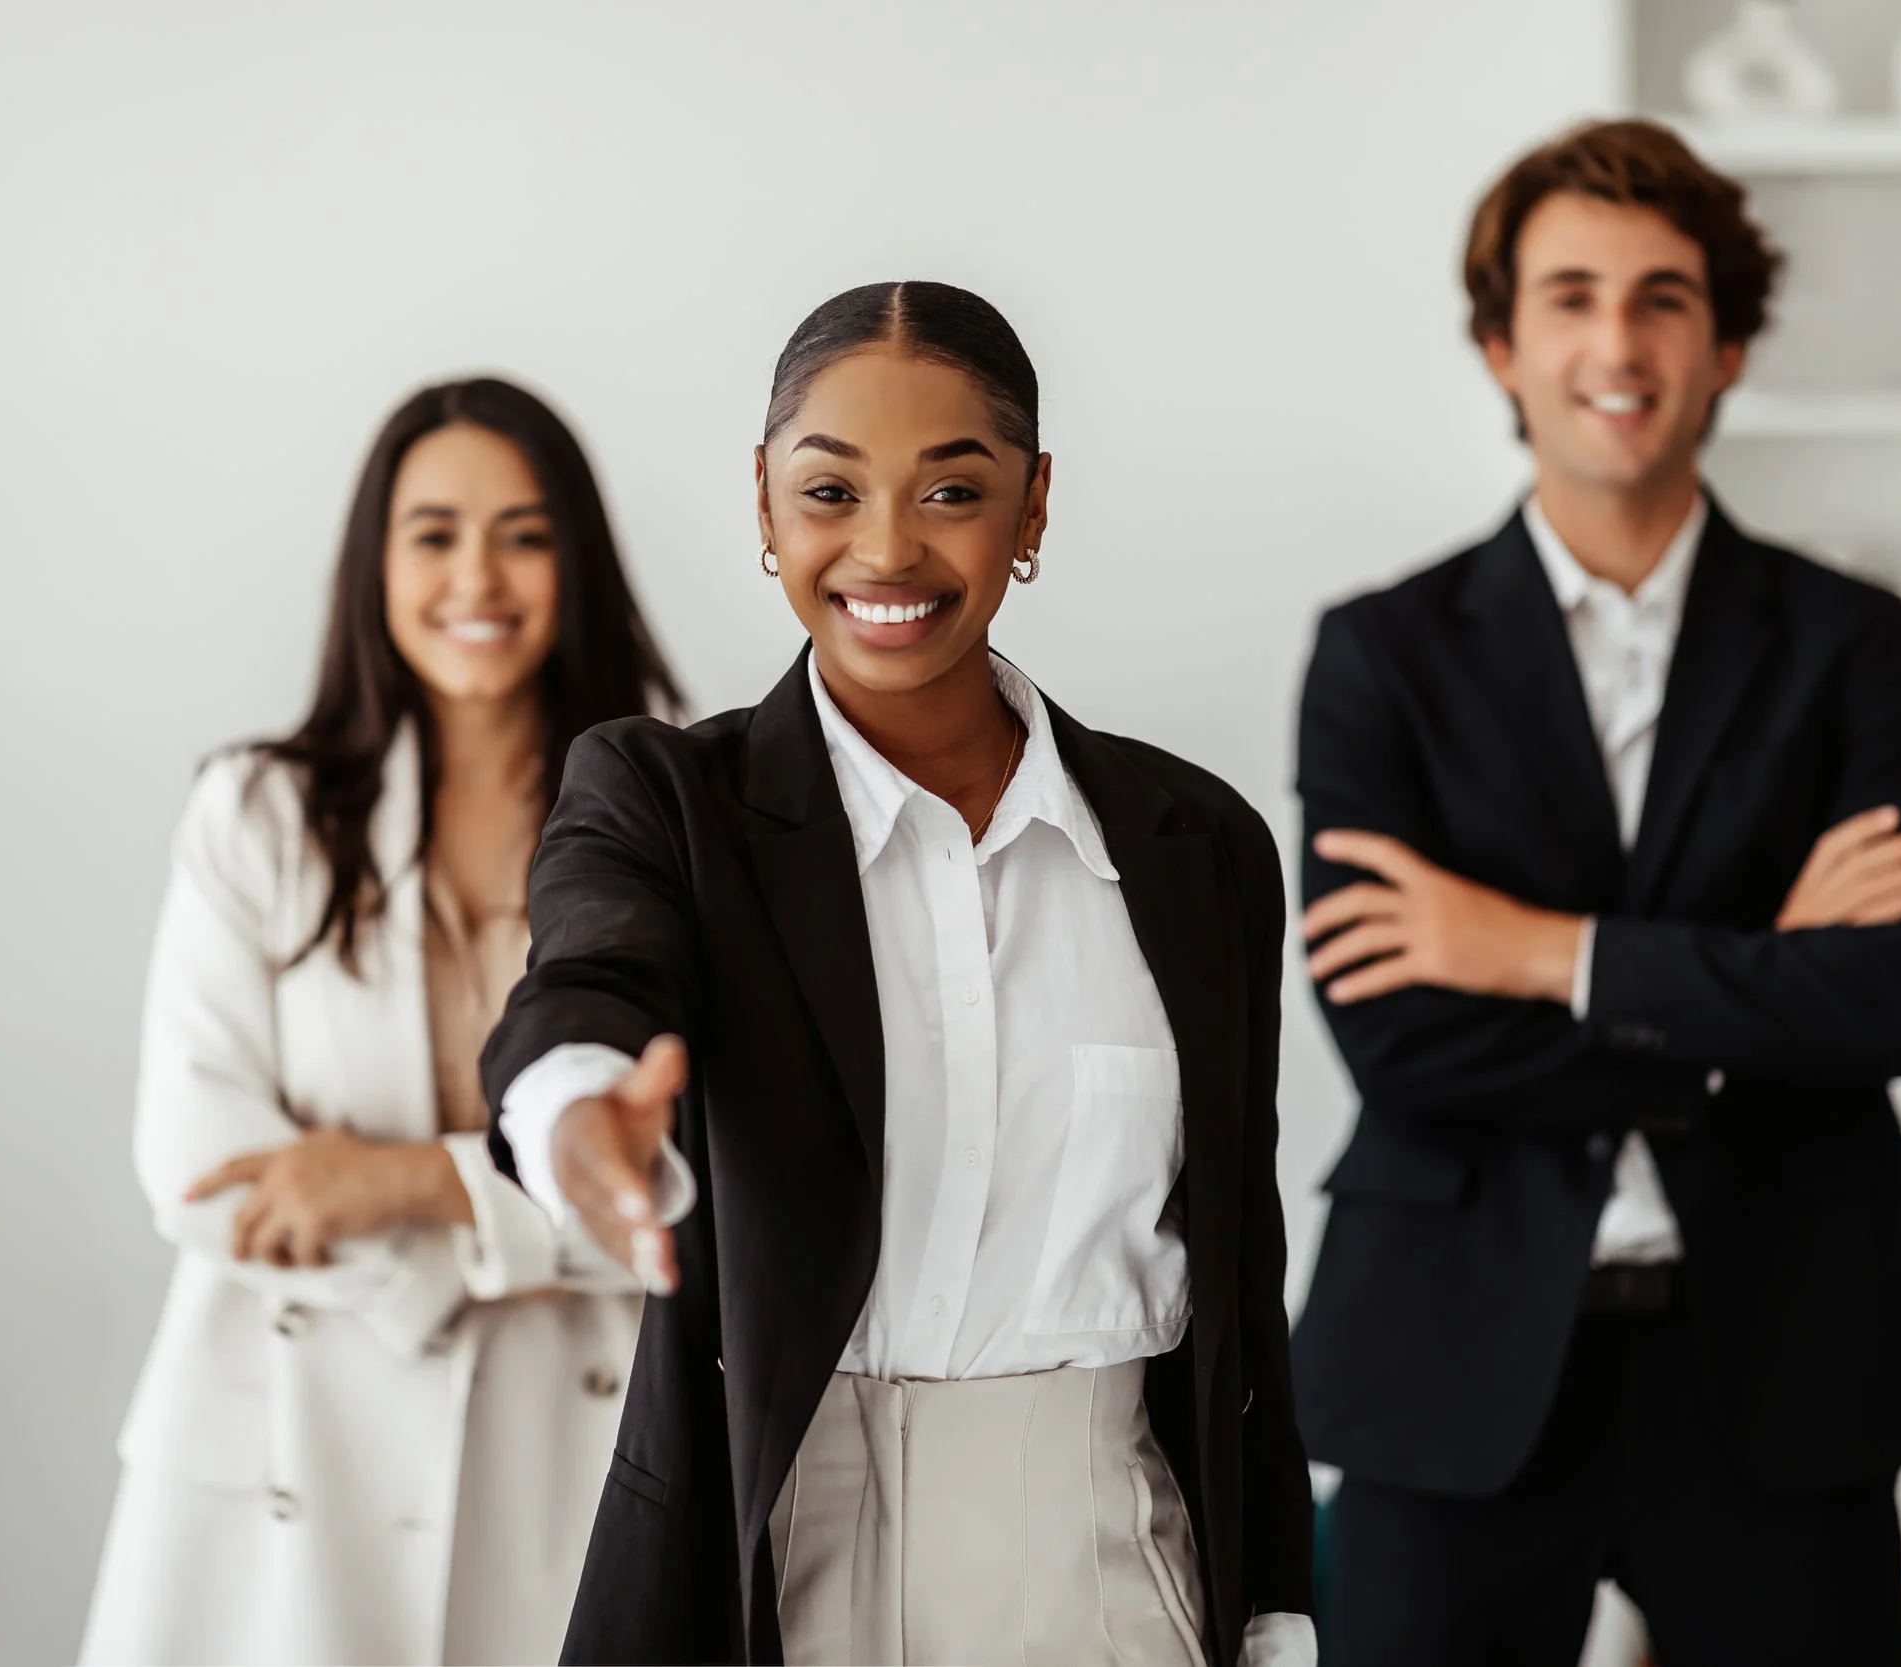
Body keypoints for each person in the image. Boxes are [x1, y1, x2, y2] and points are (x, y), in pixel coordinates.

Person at [480, 281, 1317, 1666]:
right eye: (829, 490)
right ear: (762, 503)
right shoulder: (663, 796)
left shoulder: (1197, 845)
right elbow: (588, 970)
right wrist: (581, 1115)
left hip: (1108, 1562)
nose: (886, 547)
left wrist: (1276, 1608)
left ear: (1033, 507)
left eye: (951, 492)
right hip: (782, 1561)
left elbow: (1238, 1266)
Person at [1290, 120, 1901, 1665]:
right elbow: (1403, 1037)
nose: (1619, 340)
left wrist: (1533, 949)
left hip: (1784, 1358)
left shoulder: (1852, 643)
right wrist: (1756, 983)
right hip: (1450, 1354)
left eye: (1664, 297)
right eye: (1573, 295)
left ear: (1727, 342)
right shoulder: (1381, 654)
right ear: (1502, 344)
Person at [81, 377, 681, 1666]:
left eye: (525, 534)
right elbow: (204, 1174)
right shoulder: (260, 816)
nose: (480, 575)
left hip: (575, 1445)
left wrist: (404, 1182)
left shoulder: (676, 813)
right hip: (291, 1457)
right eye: (435, 533)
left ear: (578, 560)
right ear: (377, 564)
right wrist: (518, 1229)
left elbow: (692, 1189)